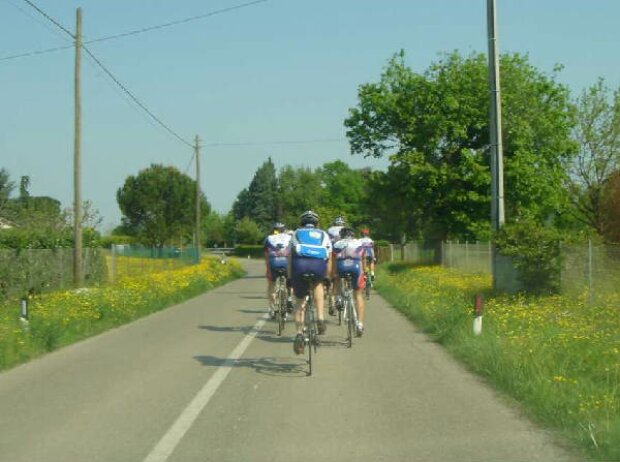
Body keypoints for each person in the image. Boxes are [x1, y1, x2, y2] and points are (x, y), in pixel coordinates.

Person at [288, 210, 332, 354]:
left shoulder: (295, 234)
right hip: (318, 266)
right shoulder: (323, 234)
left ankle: (299, 333)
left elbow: (289, 258)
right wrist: (327, 276)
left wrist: (290, 277)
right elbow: (329, 257)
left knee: (300, 301)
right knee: (318, 284)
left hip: (299, 267)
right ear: (316, 223)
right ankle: (320, 317)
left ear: (301, 223)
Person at [333, 227, 367, 336]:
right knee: (358, 295)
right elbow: (363, 258)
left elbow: (333, 260)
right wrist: (365, 272)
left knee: (337, 277)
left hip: (342, 267)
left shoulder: (337, 243)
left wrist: (333, 274)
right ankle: (360, 324)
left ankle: (338, 298)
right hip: (356, 268)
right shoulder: (358, 243)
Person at [264, 222, 293, 318]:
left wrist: (268, 269)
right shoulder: (290, 238)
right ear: (284, 230)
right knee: (288, 282)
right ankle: (288, 299)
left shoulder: (269, 238)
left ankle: (272, 308)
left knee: (271, 284)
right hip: (286, 263)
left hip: (274, 263)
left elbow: (266, 255)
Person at [326, 216, 346, 314]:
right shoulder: (346, 230)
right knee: (342, 279)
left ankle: (331, 305)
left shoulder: (330, 230)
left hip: (332, 256)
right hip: (345, 256)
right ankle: (342, 296)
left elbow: (327, 244)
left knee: (331, 281)